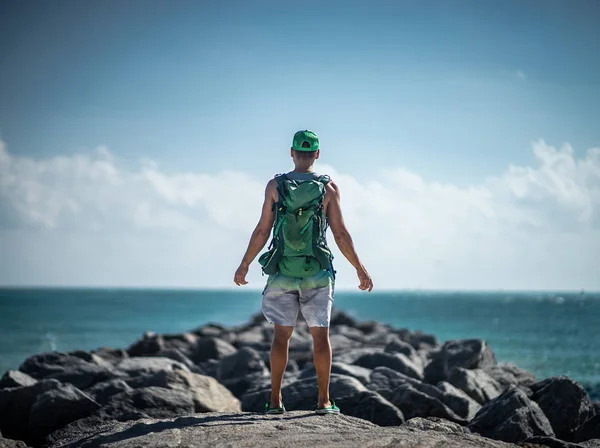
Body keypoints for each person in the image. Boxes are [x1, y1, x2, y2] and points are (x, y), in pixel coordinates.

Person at [233, 130, 373, 415]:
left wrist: (245, 263)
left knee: (280, 338)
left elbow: (263, 230)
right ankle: (323, 401)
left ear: (292, 152)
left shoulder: (275, 185)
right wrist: (360, 268)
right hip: (318, 273)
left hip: (283, 271)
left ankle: (275, 401)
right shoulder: (329, 188)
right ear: (317, 155)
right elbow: (341, 234)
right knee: (320, 338)